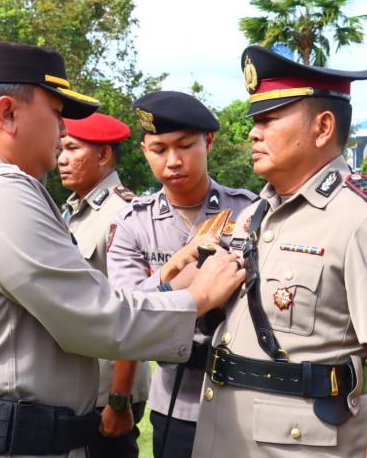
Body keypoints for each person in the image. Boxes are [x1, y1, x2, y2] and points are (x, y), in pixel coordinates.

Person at [0, 42, 246, 458]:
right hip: (8, 442)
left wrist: (162, 281)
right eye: (56, 114)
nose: (63, 132)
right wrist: (197, 298)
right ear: (7, 114)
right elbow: (93, 318)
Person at [192, 46, 367, 458]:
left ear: (322, 128)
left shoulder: (364, 219)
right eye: (254, 121)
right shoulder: (254, 214)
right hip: (223, 434)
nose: (252, 133)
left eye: (268, 120)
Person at [106, 90, 257, 458]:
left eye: (185, 146)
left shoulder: (248, 212)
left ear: (208, 142)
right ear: (144, 151)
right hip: (176, 402)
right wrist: (172, 275)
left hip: (245, 398)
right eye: (159, 150)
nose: (173, 161)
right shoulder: (133, 224)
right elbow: (123, 312)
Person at [57, 112, 151, 458]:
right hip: (79, 385)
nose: (61, 159)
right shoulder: (71, 211)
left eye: (71, 148)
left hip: (108, 393)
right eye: (60, 149)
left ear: (103, 155)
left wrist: (118, 398)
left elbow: (133, 311)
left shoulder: (122, 214)